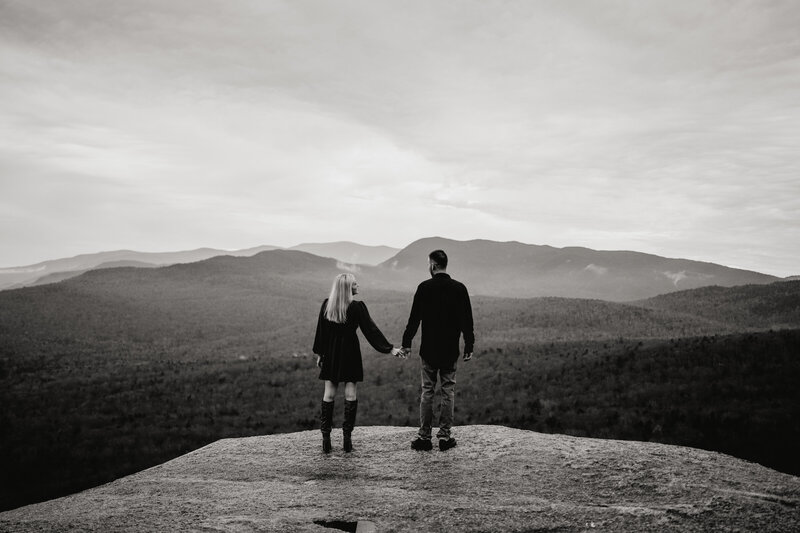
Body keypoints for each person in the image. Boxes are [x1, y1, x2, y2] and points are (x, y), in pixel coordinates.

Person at [313, 272, 403, 453]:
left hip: (331, 352)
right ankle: (347, 440)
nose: (358, 286)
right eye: (355, 284)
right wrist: (389, 348)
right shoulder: (357, 307)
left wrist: (321, 354)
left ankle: (326, 440)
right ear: (348, 288)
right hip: (350, 352)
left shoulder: (327, 305)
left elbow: (321, 333)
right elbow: (370, 330)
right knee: (351, 393)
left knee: (328, 394)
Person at [400, 249, 474, 452]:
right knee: (448, 391)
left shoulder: (424, 288)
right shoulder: (459, 289)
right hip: (450, 349)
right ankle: (444, 437)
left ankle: (424, 437)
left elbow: (414, 319)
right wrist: (469, 345)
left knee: (427, 391)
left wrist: (407, 343)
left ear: (433, 265)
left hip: (429, 350)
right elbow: (467, 320)